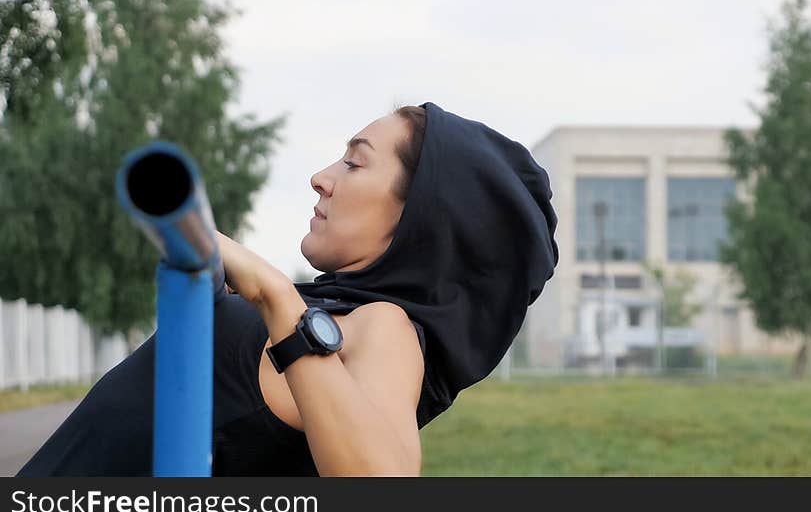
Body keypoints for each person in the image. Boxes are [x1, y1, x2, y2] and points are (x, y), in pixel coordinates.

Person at [16, 101, 559, 477]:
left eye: (354, 161)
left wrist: (278, 298)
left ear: (418, 217)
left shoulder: (382, 327)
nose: (322, 177)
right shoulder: (334, 310)